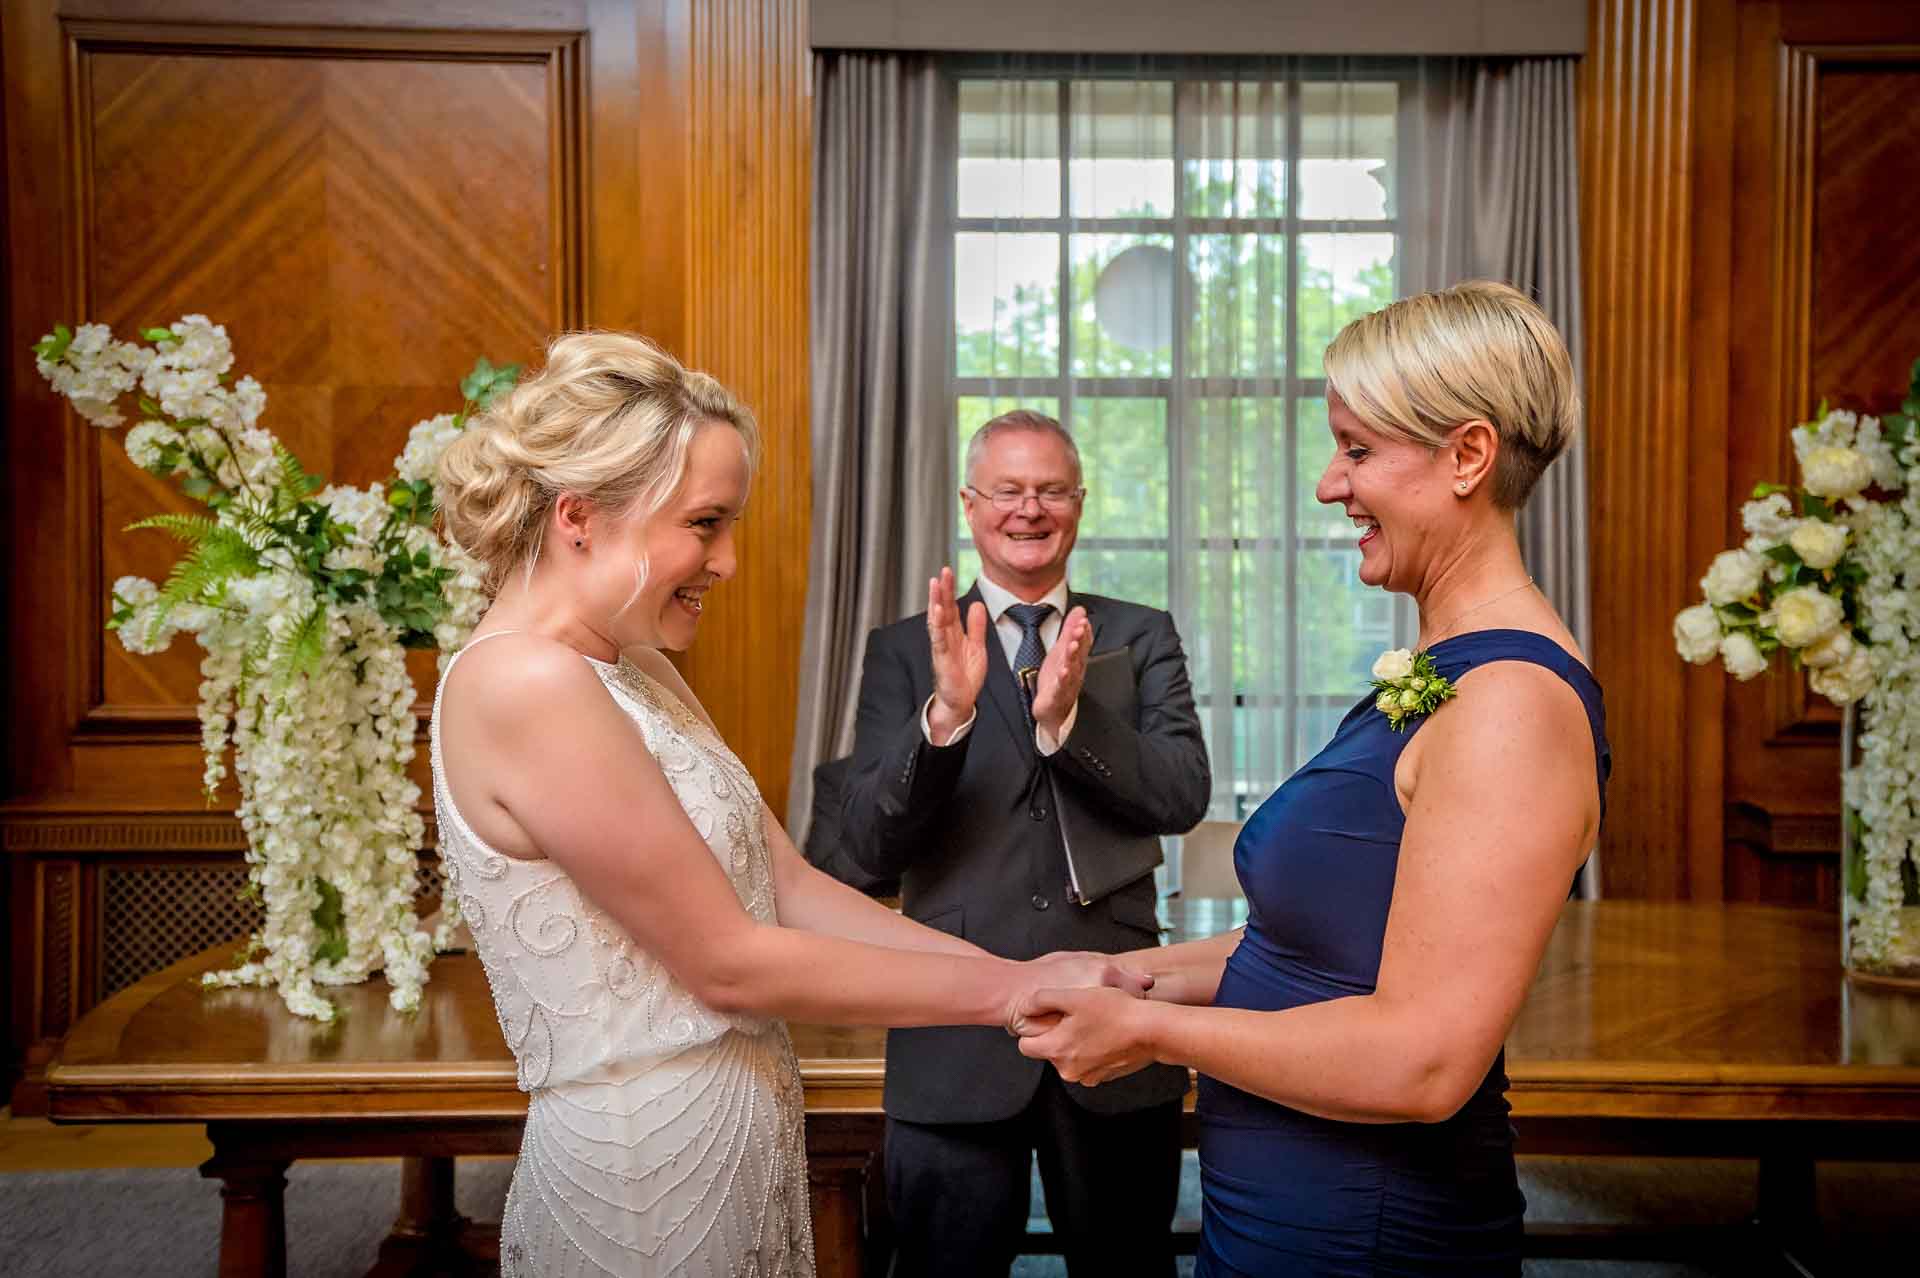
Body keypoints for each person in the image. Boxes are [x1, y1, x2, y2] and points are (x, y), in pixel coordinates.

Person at [429, 336, 1149, 1277]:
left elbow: (789, 885)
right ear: (580, 515)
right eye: (705, 522)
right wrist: (1012, 996)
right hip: (646, 1176)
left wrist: (1027, 966)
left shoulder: (634, 667)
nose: (726, 561)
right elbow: (728, 962)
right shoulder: (524, 681)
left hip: (738, 1133)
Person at [1012, 282, 1612, 1277]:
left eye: (1360, 451)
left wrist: (1154, 1033)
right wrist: (1136, 974)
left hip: (1363, 1236)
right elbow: (1324, 944)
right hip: (1286, 1216)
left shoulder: (1509, 702)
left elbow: (1423, 1060)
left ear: (1469, 455)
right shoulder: (1447, 670)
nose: (1330, 485)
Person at [836, 410, 1210, 1277]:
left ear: (1079, 504)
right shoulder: (904, 650)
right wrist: (947, 719)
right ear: (971, 504)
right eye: (1008, 490)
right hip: (954, 1035)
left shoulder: (1139, 632)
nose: (1029, 509)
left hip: (1116, 1018)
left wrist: (1070, 720)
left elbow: (1182, 794)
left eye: (1050, 490)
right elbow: (866, 845)